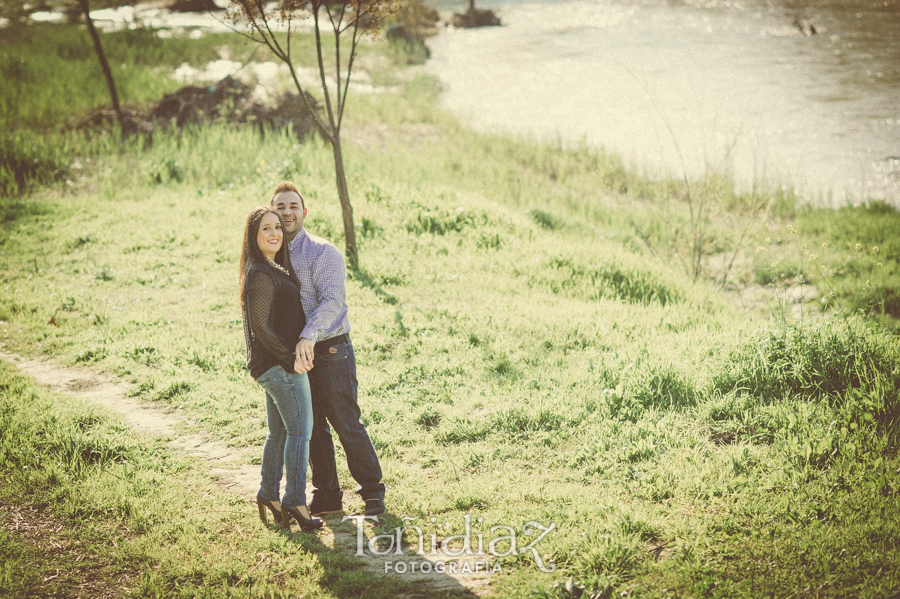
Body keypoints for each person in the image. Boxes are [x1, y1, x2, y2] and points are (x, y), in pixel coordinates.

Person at [270, 181, 386, 517]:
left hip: (330, 350)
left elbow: (334, 301)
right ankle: (327, 494)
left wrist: (308, 336)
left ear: (304, 212)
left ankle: (372, 493)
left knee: (345, 421)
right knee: (312, 427)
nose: (287, 212)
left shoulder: (323, 251)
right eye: (280, 206)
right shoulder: (270, 254)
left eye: (293, 206)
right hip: (294, 355)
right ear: (272, 213)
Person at [239, 206, 324, 532]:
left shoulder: (271, 268)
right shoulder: (261, 274)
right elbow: (260, 327)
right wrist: (290, 360)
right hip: (279, 367)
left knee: (279, 433)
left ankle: (268, 493)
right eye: (266, 229)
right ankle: (295, 500)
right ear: (254, 236)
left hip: (272, 366)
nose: (274, 233)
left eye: (277, 227)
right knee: (300, 432)